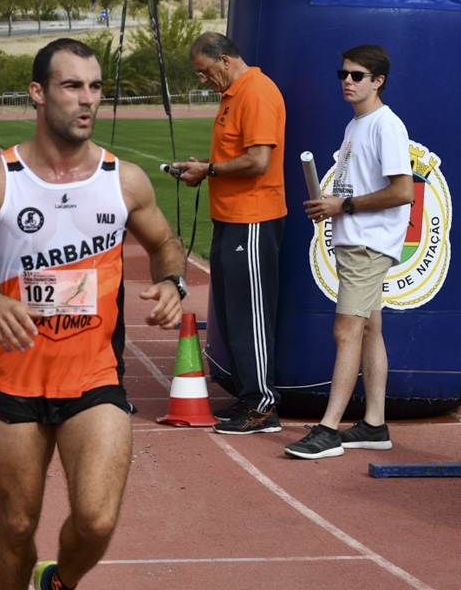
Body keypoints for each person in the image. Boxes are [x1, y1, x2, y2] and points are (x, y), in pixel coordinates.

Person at [0, 38, 188, 590]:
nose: (88, 100)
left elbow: (165, 242)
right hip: (18, 381)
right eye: (72, 85)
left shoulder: (122, 181)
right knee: (16, 525)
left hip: (94, 377)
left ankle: (59, 580)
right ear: (38, 93)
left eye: (96, 87)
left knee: (97, 519)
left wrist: (172, 281)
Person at [285, 45, 414, 460]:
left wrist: (344, 206)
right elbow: (357, 188)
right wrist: (331, 203)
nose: (347, 81)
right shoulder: (355, 125)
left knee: (346, 331)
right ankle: (374, 425)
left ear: (378, 81)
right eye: (342, 74)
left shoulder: (385, 125)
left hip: (368, 244)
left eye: (357, 75)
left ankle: (327, 429)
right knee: (370, 329)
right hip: (356, 239)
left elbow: (403, 191)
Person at [169, 32, 287, 435]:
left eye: (203, 72)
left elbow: (258, 161)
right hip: (231, 217)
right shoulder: (233, 94)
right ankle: (249, 397)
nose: (203, 80)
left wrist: (211, 170)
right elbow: (236, 157)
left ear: (223, 60)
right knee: (234, 313)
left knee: (249, 314)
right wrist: (204, 168)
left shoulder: (255, 92)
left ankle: (263, 405)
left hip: (252, 218)